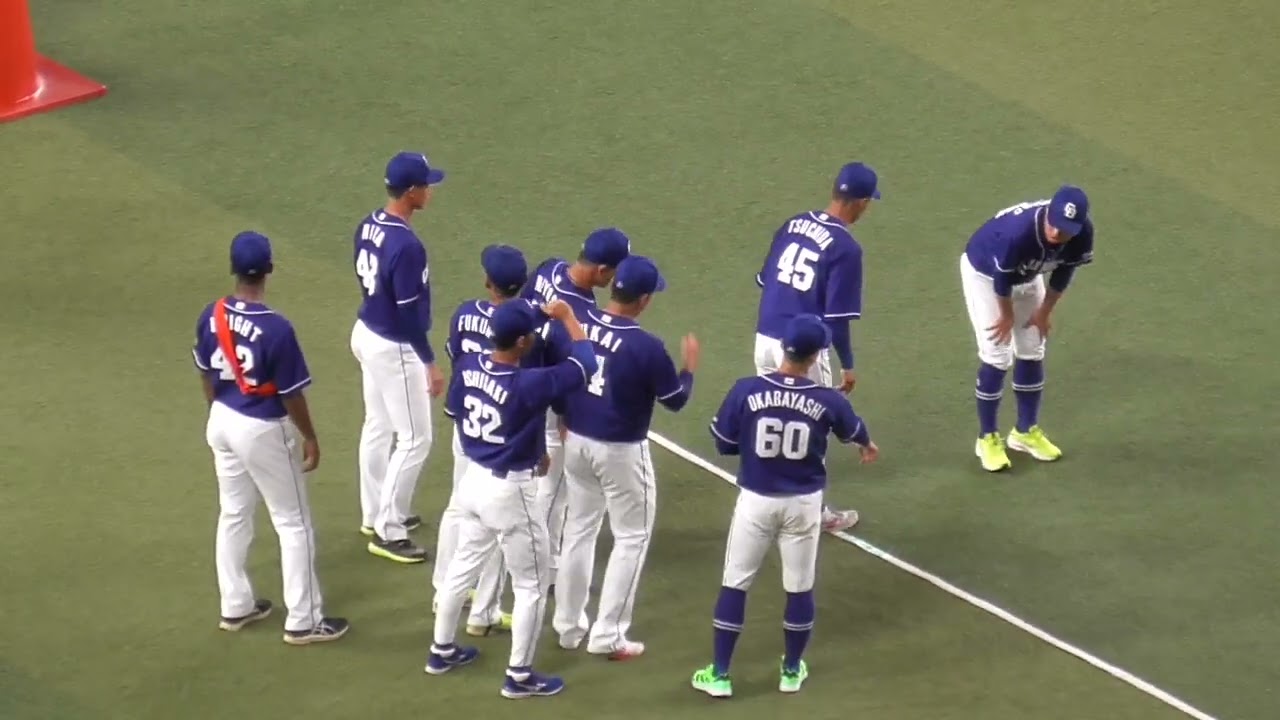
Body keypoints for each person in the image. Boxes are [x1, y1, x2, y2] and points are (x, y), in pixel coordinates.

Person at [691, 314, 878, 697]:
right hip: (804, 505)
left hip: (756, 500)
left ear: (782, 349)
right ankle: (791, 671)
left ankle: (720, 675)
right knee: (799, 587)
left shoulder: (746, 389)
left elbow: (724, 443)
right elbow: (855, 430)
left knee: (735, 583)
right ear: (816, 357)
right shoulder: (827, 399)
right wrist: (866, 445)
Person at [427, 299, 598, 700]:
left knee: (460, 570)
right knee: (531, 586)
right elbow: (586, 363)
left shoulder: (469, 365)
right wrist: (567, 316)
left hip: (472, 481)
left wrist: (533, 318)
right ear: (521, 342)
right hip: (509, 493)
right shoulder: (528, 383)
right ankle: (519, 675)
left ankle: (441, 650)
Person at [193, 231, 348, 645]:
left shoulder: (212, 314)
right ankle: (304, 619)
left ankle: (235, 605)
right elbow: (291, 394)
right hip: (261, 427)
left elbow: (206, 372)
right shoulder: (276, 328)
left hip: (222, 418)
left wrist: (218, 412)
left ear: (233, 268)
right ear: (269, 270)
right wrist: (309, 436)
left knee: (233, 513)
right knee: (293, 522)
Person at [552, 255, 697, 659]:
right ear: (644, 299)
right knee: (631, 537)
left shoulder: (579, 324)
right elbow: (675, 400)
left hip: (576, 440)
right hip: (620, 451)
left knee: (578, 530)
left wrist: (563, 417)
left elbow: (564, 376)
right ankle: (608, 634)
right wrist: (688, 369)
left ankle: (567, 626)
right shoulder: (645, 346)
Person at [753, 162, 878, 532]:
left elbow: (766, 280)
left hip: (764, 338)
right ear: (861, 202)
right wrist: (848, 364)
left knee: (773, 417)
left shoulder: (793, 224)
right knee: (810, 429)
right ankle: (814, 514)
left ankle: (766, 498)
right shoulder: (846, 248)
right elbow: (836, 319)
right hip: (803, 350)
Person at [350, 151, 447, 563]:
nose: (431, 190)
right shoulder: (407, 245)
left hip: (366, 332)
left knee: (378, 425)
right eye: (426, 185)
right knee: (416, 439)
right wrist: (429, 361)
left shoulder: (369, 223)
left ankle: (374, 513)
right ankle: (388, 529)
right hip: (394, 345)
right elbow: (408, 313)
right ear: (411, 192)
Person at [431, 244, 532, 636]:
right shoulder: (526, 328)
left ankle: (444, 591)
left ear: (488, 282)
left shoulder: (464, 313)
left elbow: (457, 356)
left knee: (459, 509)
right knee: (497, 524)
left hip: (468, 423)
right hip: (504, 438)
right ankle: (483, 612)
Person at [519, 227, 631, 582]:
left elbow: (519, 309)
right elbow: (576, 369)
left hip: (516, 381)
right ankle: (541, 565)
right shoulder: (581, 313)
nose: (615, 279)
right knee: (553, 489)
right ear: (602, 270)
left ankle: (528, 553)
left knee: (527, 478)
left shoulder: (549, 268)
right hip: (548, 399)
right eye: (615, 271)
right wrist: (566, 415)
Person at [961, 185, 1094, 472]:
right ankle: (987, 438)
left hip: (1028, 275)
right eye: (1054, 224)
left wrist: (1044, 312)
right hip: (985, 274)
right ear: (1048, 212)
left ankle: (1024, 432)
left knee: (1033, 347)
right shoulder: (1018, 233)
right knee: (997, 354)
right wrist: (1006, 316)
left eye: (1065, 229)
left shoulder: (1082, 233)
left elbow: (1065, 270)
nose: (1057, 232)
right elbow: (1001, 281)